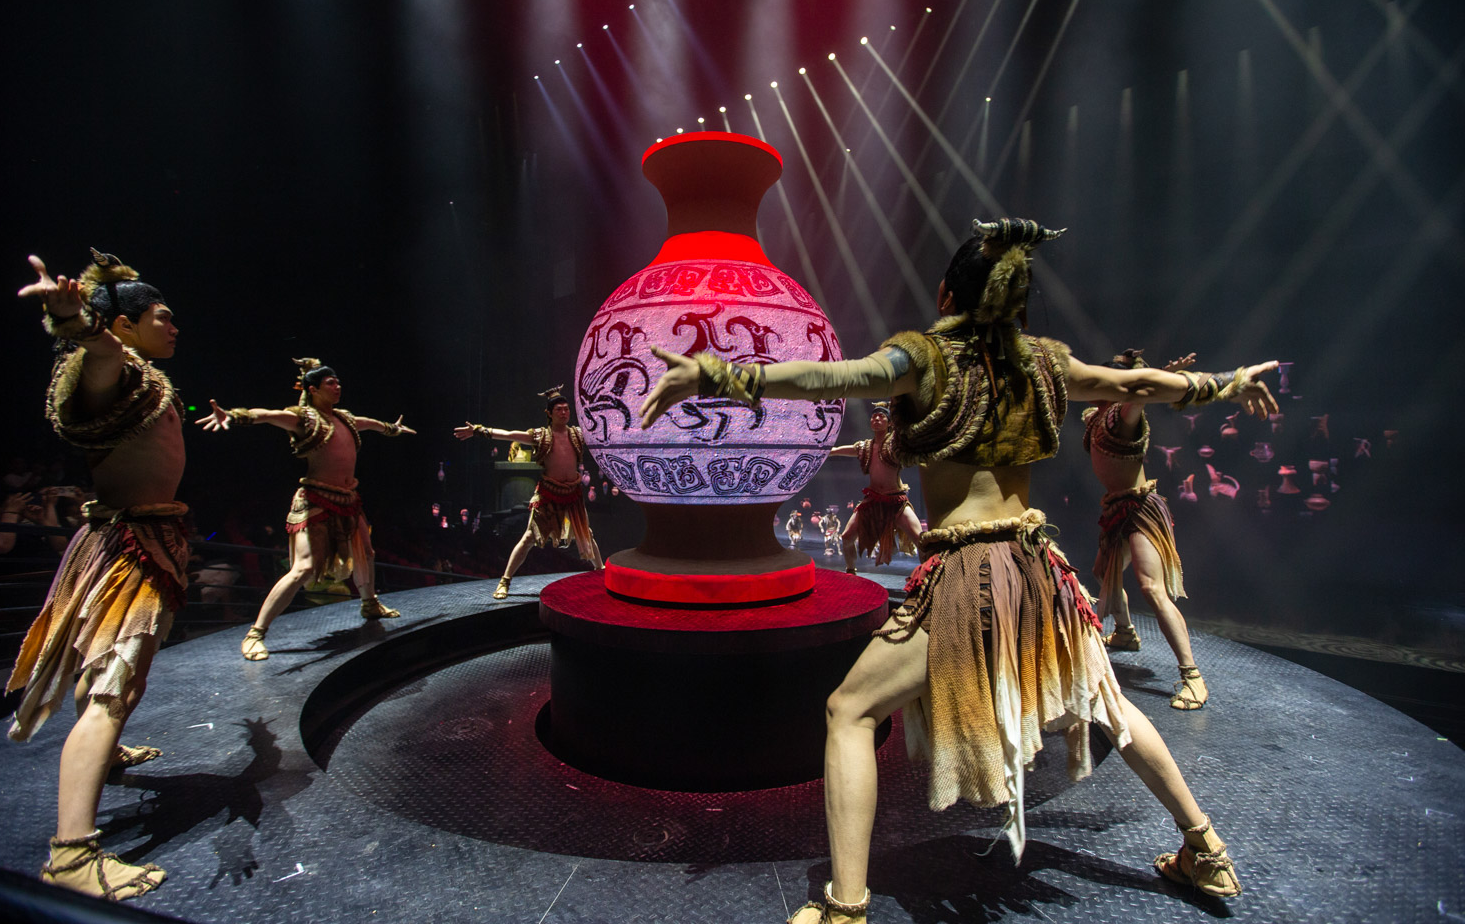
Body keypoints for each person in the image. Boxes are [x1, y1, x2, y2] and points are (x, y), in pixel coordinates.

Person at [640, 218, 1276, 921]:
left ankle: (846, 908)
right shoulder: (1044, 364)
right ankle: (1204, 847)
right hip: (1036, 570)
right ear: (1018, 302)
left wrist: (718, 372)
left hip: (968, 576)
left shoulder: (924, 360)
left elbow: (831, 377)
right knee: (1107, 704)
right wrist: (1225, 383)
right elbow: (1136, 383)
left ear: (947, 293)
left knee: (849, 711)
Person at [7, 250, 188, 900]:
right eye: (163, 316)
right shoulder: (110, 369)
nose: (174, 326)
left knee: (115, 673)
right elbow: (99, 354)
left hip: (139, 537)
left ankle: (105, 758)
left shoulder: (142, 380)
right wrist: (76, 322)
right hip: (125, 547)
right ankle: (72, 857)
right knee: (114, 685)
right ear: (125, 324)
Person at [198, 359, 413, 661]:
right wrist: (234, 416)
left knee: (366, 552)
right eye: (330, 383)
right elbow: (269, 415)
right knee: (303, 568)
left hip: (348, 499)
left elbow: (371, 423)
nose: (337, 387)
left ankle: (370, 603)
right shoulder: (303, 418)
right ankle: (256, 632)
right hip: (315, 500)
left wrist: (392, 429)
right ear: (313, 389)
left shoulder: (345, 418)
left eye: (338, 382)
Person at [1085, 349, 1209, 709]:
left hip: (1141, 509)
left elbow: (1139, 396)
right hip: (1118, 510)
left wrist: (1156, 378)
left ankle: (1192, 676)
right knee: (1103, 572)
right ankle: (1125, 633)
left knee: (1152, 588)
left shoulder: (1124, 413)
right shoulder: (1099, 417)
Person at [453, 385, 603, 599]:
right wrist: (479, 430)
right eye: (559, 409)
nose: (564, 412)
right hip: (549, 494)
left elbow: (602, 434)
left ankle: (600, 571)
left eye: (566, 409)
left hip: (573, 494)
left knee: (586, 534)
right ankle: (505, 580)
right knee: (528, 538)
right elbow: (509, 435)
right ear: (549, 413)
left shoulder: (577, 434)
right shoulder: (541, 436)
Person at [828, 403, 921, 573]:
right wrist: (825, 451)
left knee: (920, 539)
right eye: (873, 417)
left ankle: (929, 575)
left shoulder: (896, 444)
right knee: (847, 537)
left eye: (881, 416)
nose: (876, 419)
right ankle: (850, 570)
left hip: (896, 501)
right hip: (873, 499)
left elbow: (910, 440)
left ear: (889, 423)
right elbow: (837, 450)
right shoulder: (865, 447)